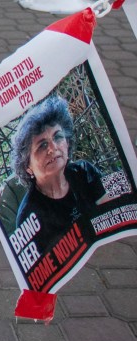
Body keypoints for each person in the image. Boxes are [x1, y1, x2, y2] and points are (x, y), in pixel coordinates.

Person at [12, 94, 107, 256]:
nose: (53, 148)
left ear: (67, 143)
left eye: (58, 137)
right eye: (42, 145)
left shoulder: (85, 171)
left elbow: (110, 210)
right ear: (27, 166)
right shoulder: (28, 217)